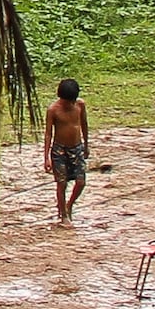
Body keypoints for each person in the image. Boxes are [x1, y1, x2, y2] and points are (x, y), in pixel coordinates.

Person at [43, 79, 91, 225]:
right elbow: (48, 134)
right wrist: (46, 157)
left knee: (81, 181)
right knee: (61, 183)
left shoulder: (80, 105)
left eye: (71, 101)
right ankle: (63, 213)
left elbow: (84, 124)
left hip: (76, 147)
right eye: (66, 102)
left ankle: (69, 205)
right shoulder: (53, 110)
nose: (69, 105)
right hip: (60, 150)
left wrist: (86, 145)